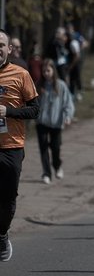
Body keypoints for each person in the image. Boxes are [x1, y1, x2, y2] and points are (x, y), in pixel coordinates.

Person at [1, 30, 40, 262]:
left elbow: (35, 109)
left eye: (1, 45)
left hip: (11, 147)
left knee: (7, 199)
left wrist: (10, 112)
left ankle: (2, 234)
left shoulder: (20, 74)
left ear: (9, 50)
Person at [35, 59, 75, 184]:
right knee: (43, 148)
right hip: (41, 122)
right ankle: (46, 173)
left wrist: (68, 116)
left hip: (56, 123)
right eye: (44, 71)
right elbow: (32, 102)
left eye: (48, 70)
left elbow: (68, 103)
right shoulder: (39, 86)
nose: (46, 73)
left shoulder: (60, 85)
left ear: (53, 71)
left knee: (55, 147)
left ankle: (57, 166)